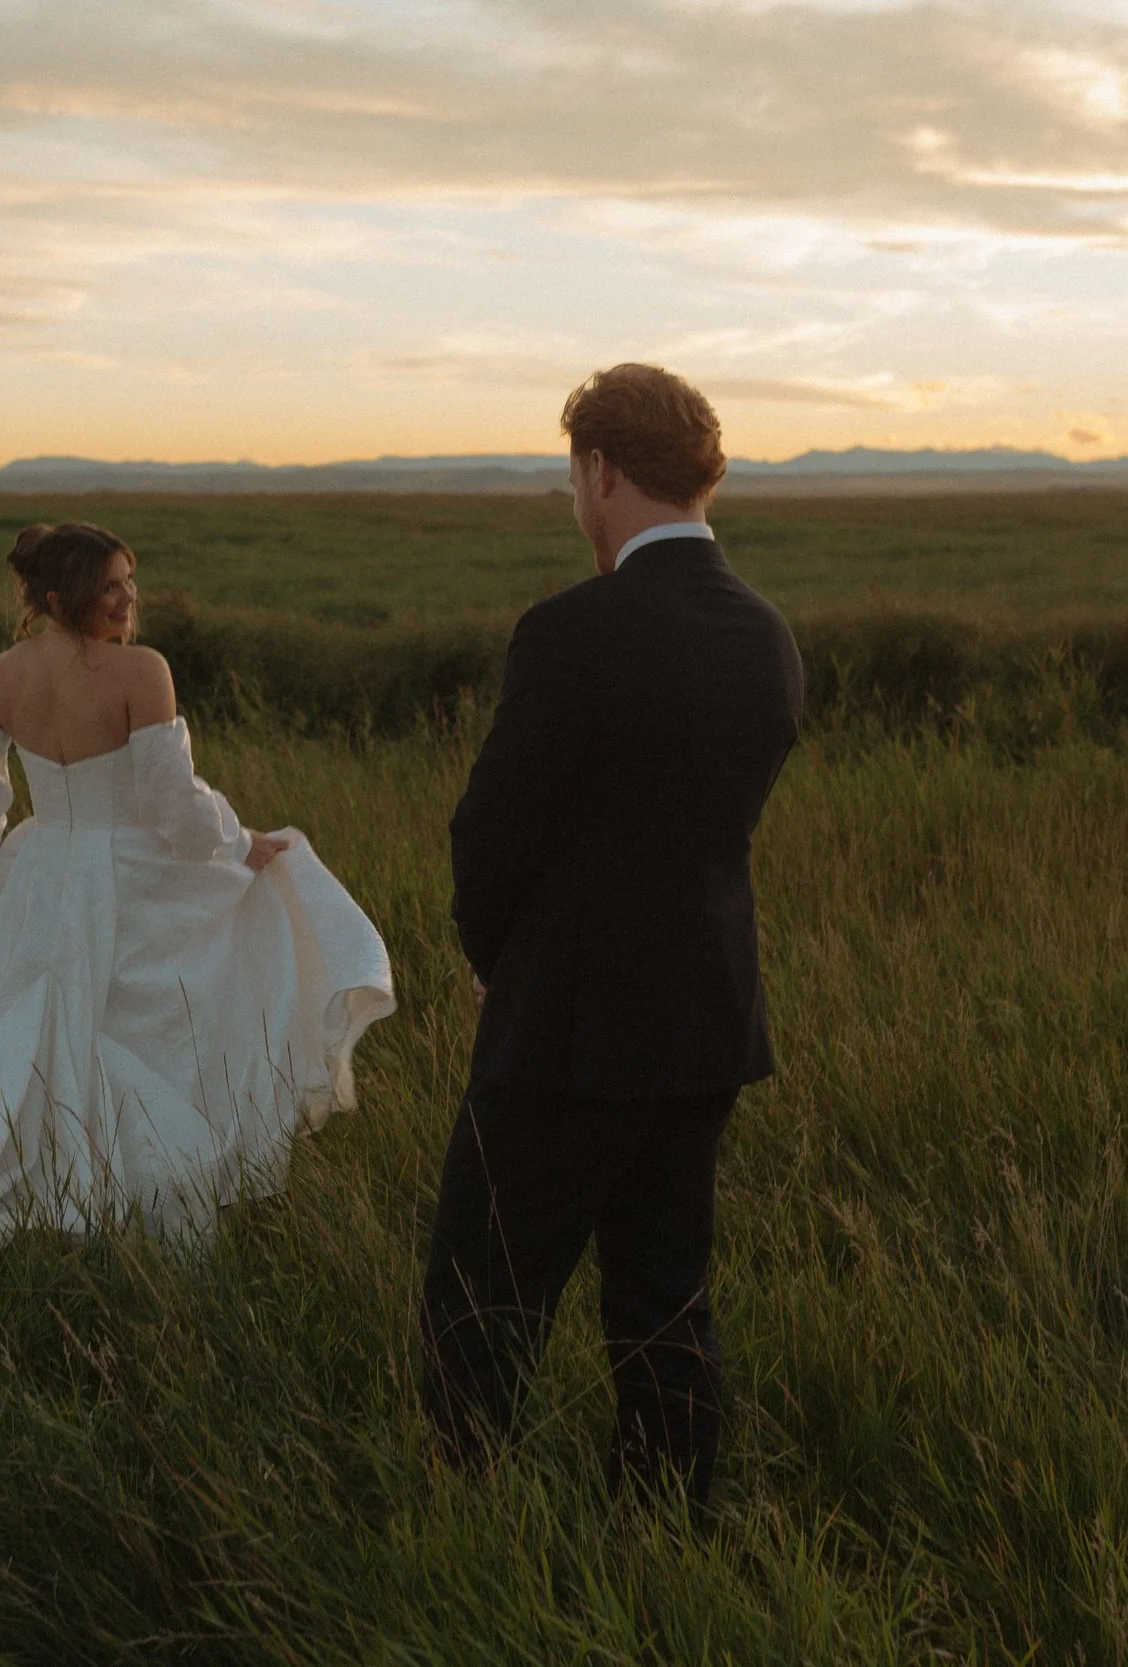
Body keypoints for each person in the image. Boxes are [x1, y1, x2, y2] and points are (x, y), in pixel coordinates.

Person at [0, 522, 396, 1332]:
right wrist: (241, 846)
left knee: (39, 1028)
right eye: (111, 587)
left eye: (131, 582)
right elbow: (171, 805)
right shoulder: (142, 671)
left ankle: (46, 1180)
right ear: (59, 597)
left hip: (45, 875)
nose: (130, 601)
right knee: (148, 1009)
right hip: (128, 873)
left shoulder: (2, 674)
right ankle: (120, 1189)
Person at [419, 364, 805, 1516]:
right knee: (665, 1299)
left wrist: (498, 959)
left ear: (598, 469)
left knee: (481, 1290)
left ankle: (461, 1521)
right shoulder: (767, 634)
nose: (574, 503)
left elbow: (491, 831)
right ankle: (666, 1525)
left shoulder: (571, 630)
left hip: (568, 1027)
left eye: (571, 478)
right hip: (703, 1018)